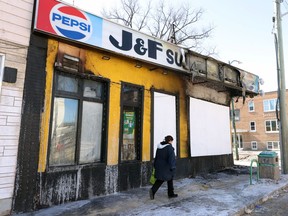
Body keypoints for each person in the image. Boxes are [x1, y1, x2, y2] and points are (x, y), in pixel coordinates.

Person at [149, 135, 178, 200]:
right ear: (170, 141)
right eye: (172, 141)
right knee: (165, 179)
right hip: (166, 166)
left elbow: (156, 157)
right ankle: (154, 190)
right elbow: (171, 158)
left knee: (165, 179)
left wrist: (155, 165)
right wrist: (173, 166)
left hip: (159, 166)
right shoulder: (169, 148)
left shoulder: (159, 147)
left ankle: (170, 193)